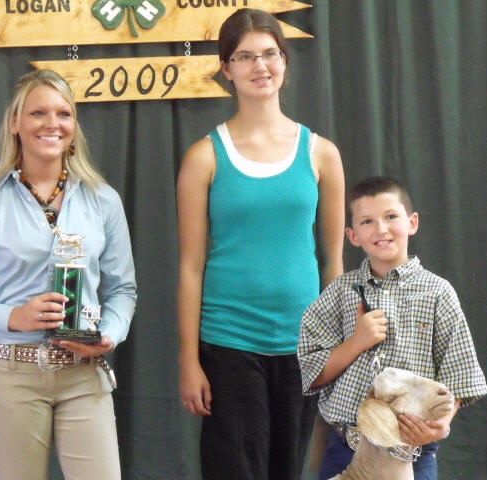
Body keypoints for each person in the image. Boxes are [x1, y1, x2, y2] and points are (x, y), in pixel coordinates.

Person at [0, 69, 137, 480]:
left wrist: (109, 335)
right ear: (15, 123)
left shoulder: (104, 200)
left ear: (74, 126)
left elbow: (123, 290)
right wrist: (11, 317)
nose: (51, 124)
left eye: (63, 113)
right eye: (38, 113)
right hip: (12, 375)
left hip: (84, 375)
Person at [176, 8, 345, 480]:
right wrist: (189, 361)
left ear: (285, 62)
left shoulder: (322, 154)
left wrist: (335, 350)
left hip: (302, 350)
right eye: (245, 56)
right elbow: (190, 266)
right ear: (226, 69)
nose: (260, 66)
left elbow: (333, 262)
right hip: (228, 346)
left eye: (270, 53)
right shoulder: (204, 157)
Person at [297, 176, 487, 480]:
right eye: (367, 221)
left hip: (411, 452)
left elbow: (460, 375)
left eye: (390, 217)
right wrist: (357, 341)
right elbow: (310, 373)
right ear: (352, 235)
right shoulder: (340, 292)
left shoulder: (438, 293)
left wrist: (440, 425)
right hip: (346, 452)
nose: (381, 229)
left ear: (412, 223)